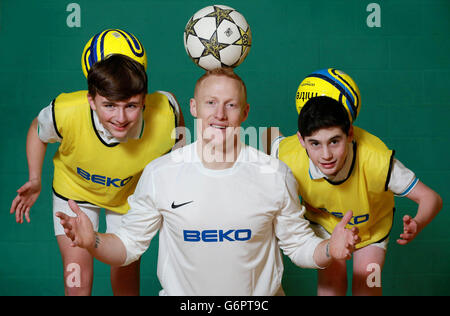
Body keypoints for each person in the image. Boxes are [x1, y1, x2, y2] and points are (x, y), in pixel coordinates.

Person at [55, 67, 360, 296]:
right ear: (193, 108)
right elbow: (128, 247)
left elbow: (299, 247)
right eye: (211, 102)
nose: (220, 114)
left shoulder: (274, 174)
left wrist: (328, 250)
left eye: (230, 104)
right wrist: (92, 240)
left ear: (245, 112)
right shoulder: (161, 173)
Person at [9, 29, 184, 296]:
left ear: (145, 100)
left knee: (126, 275)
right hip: (74, 194)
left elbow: (177, 141)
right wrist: (35, 178)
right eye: (109, 105)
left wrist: (174, 181)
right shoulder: (66, 111)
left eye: (132, 105)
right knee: (76, 276)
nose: (121, 117)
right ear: (91, 100)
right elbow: (37, 129)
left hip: (128, 196)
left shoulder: (166, 114)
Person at [267, 92, 443, 295]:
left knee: (368, 283)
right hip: (325, 224)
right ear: (301, 140)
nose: (326, 155)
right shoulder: (288, 156)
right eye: (315, 143)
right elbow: (266, 136)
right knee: (331, 281)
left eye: (334, 141)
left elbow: (431, 198)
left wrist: (418, 222)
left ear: (350, 134)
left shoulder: (377, 162)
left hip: (372, 228)